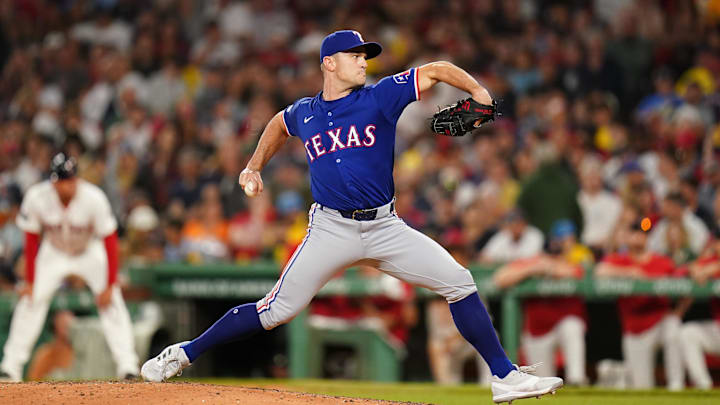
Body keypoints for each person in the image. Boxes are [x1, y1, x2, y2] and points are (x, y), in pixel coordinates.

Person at [141, 30, 563, 403]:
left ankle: (504, 376)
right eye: (355, 54)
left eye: (366, 55)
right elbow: (277, 124)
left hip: (385, 227)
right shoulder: (304, 112)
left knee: (460, 281)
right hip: (331, 228)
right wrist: (253, 165)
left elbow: (436, 68)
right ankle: (182, 353)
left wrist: (480, 94)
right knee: (274, 312)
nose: (364, 61)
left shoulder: (379, 97)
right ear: (330, 63)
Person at [0, 153, 139, 382]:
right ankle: (10, 367)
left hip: (88, 251)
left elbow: (110, 240)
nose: (64, 185)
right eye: (59, 180)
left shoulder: (94, 198)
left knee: (111, 299)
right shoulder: (37, 196)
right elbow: (31, 239)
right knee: (31, 299)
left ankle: (128, 366)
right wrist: (31, 281)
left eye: (68, 180)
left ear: (76, 180)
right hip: (53, 253)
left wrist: (110, 282)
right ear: (53, 181)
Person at [494, 219, 590, 385]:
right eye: (549, 253)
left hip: (562, 325)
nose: (552, 256)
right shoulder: (534, 263)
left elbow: (577, 273)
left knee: (572, 325)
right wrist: (533, 269)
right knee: (542, 383)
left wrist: (552, 268)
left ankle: (577, 379)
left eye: (556, 253)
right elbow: (500, 279)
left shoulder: (569, 262)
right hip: (537, 331)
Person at [595, 220, 684, 390]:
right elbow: (600, 271)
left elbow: (686, 285)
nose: (639, 237)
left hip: (660, 321)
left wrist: (679, 310)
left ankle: (676, 384)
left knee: (674, 328)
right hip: (634, 328)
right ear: (627, 236)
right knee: (641, 386)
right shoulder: (620, 260)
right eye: (635, 232)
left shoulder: (662, 262)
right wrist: (631, 272)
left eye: (643, 233)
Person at [680, 239, 720, 389]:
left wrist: (713, 268)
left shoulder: (714, 264)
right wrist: (696, 268)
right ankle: (703, 386)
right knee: (688, 332)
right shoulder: (710, 261)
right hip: (718, 329)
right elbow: (681, 271)